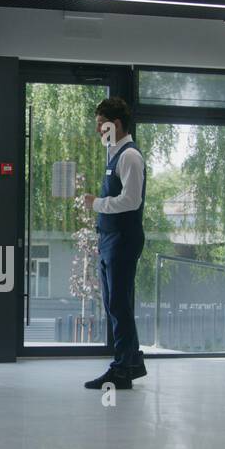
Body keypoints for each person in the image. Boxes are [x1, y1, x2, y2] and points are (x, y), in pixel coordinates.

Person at [82, 96, 147, 389]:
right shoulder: (114, 153)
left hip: (122, 239)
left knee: (118, 305)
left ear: (115, 124)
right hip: (111, 240)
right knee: (114, 304)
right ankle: (131, 363)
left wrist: (97, 204)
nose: (98, 130)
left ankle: (122, 369)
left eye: (101, 124)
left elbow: (131, 201)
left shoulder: (129, 156)